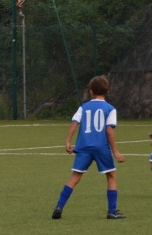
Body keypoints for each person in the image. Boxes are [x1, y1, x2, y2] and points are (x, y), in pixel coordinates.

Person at [52, 75, 126, 220]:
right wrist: (115, 151)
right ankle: (112, 211)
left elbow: (74, 123)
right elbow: (109, 130)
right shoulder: (110, 109)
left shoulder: (83, 107)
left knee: (75, 177)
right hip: (101, 147)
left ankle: (59, 206)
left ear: (91, 91)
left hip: (83, 147)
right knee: (111, 176)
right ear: (107, 91)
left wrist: (68, 141)